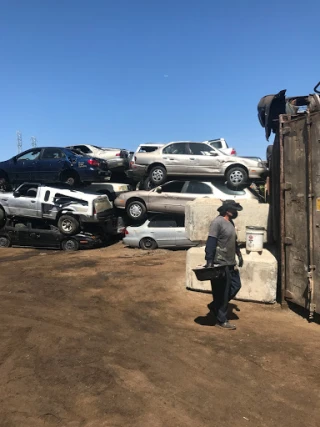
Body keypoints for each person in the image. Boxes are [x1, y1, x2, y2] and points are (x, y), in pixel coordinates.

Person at [205, 200, 243, 330]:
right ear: (227, 210)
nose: (236, 212)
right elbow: (211, 241)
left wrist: (239, 254)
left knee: (236, 285)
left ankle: (215, 305)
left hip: (231, 262)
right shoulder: (217, 222)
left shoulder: (230, 222)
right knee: (222, 291)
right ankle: (221, 320)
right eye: (234, 210)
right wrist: (209, 260)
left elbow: (234, 241)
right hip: (220, 263)